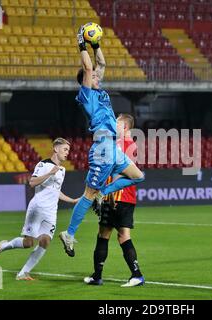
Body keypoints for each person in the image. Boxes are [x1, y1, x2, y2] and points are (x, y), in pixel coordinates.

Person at [59, 26, 145, 257]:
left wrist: (96, 44)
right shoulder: (86, 94)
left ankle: (101, 192)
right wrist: (81, 42)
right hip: (102, 148)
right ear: (86, 80)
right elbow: (88, 67)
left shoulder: (101, 92)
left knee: (138, 176)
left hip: (113, 148)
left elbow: (102, 64)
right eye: (94, 76)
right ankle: (69, 233)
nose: (97, 75)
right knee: (88, 195)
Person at [0, 138, 78, 280]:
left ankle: (23, 273)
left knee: (45, 241)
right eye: (65, 149)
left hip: (51, 212)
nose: (68, 153)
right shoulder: (44, 164)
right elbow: (32, 182)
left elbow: (56, 190)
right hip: (37, 208)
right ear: (56, 149)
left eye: (68, 150)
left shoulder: (62, 170)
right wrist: (49, 173)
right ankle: (2, 246)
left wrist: (72, 200)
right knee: (28, 243)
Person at [84, 113, 145, 287]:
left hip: (119, 197)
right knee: (104, 233)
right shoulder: (121, 144)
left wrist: (108, 193)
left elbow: (121, 172)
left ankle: (137, 275)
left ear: (125, 127)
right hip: (117, 195)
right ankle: (97, 276)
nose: (113, 125)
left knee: (122, 235)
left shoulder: (125, 145)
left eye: (117, 123)